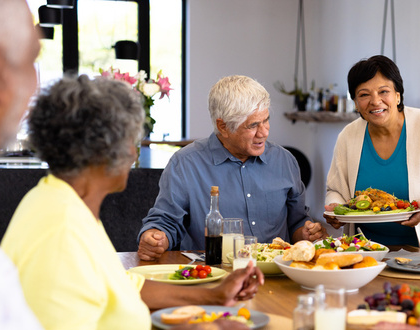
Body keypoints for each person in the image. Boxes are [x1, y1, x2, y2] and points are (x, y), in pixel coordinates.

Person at [0, 4, 287, 330]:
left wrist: (210, 296)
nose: (135, 149)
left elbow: (118, 286)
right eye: (133, 137)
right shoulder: (59, 229)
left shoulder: (62, 203)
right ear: (107, 150)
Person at [138, 75, 327, 261]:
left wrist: (308, 233)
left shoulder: (284, 160)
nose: (264, 132)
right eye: (252, 125)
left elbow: (297, 222)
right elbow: (166, 221)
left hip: (277, 276)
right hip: (214, 275)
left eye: (266, 120)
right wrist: (155, 237)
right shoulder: (186, 163)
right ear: (223, 127)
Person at [324, 55, 420, 249]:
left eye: (384, 91)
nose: (375, 101)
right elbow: (335, 190)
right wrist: (336, 209)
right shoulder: (348, 136)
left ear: (398, 95)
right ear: (356, 103)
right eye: (364, 95)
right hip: (364, 252)